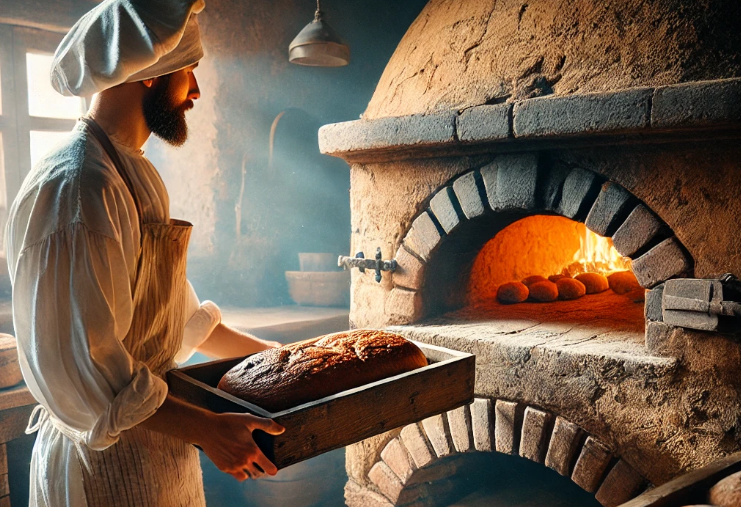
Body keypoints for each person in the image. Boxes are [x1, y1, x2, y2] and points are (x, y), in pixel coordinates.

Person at [4, 1, 284, 506]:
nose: (196, 91)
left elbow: (177, 322)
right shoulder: (80, 187)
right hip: (103, 467)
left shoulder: (131, 176)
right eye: (189, 72)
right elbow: (88, 372)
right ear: (151, 76)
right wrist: (212, 431)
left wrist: (289, 362)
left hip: (156, 452)